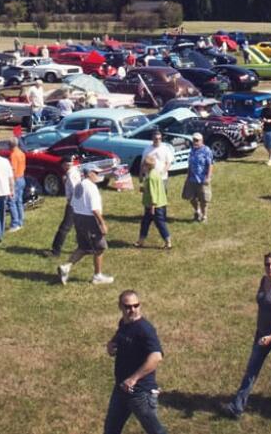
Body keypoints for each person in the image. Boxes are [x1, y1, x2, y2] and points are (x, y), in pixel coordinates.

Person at [222, 252, 271, 420]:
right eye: (267, 264)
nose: (270, 267)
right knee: (251, 370)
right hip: (262, 334)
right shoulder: (264, 281)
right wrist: (263, 332)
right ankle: (237, 407)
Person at [104, 290, 168, 433]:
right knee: (110, 430)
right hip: (121, 388)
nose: (132, 310)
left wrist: (133, 379)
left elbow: (156, 356)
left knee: (156, 431)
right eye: (127, 306)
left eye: (135, 305)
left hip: (140, 392)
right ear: (120, 306)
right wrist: (110, 345)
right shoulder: (124, 323)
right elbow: (118, 338)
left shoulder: (145, 329)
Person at [58, 166, 114, 284]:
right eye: (96, 173)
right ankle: (97, 276)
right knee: (100, 248)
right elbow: (94, 209)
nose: (98, 175)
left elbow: (72, 203)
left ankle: (66, 267)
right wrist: (102, 223)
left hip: (78, 217)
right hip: (90, 220)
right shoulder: (92, 188)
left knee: (83, 247)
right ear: (89, 173)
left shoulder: (79, 185)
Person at [135, 152, 171, 249]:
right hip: (160, 202)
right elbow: (156, 187)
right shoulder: (155, 173)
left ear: (147, 166)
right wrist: (144, 189)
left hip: (154, 205)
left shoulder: (151, 177)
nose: (142, 167)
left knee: (160, 223)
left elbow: (153, 192)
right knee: (145, 222)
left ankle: (168, 242)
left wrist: (153, 206)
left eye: (143, 165)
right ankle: (141, 240)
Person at [50, 154, 83, 257]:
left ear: (66, 165)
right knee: (80, 227)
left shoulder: (71, 174)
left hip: (73, 204)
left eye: (62, 165)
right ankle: (87, 247)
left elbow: (75, 191)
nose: (62, 167)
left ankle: (55, 251)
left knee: (64, 228)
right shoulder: (75, 171)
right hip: (78, 204)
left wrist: (71, 203)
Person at [182, 132, 212, 223]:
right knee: (190, 197)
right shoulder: (192, 150)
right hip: (192, 178)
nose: (195, 142)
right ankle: (197, 211)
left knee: (204, 199)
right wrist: (188, 176)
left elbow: (210, 164)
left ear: (201, 141)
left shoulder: (206, 150)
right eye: (194, 140)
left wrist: (208, 177)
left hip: (202, 179)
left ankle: (204, 216)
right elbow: (190, 164)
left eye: (197, 140)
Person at [7, 135, 27, 233]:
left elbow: (12, 170)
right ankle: (21, 221)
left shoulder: (13, 155)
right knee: (19, 201)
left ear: (10, 145)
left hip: (16, 180)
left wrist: (11, 184)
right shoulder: (21, 153)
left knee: (11, 202)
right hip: (22, 177)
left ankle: (15, 224)